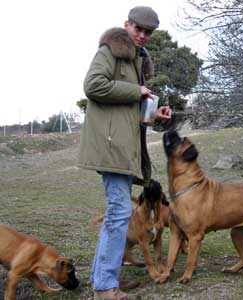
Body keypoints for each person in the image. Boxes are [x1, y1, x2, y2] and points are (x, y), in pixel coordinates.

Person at [78, 6, 172, 300]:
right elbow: (92, 85)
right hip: (111, 146)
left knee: (116, 215)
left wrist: (154, 113)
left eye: (148, 32)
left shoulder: (137, 61)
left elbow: (128, 110)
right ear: (126, 25)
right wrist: (136, 92)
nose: (142, 35)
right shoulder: (111, 50)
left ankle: (103, 280)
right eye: (138, 29)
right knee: (119, 213)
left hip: (123, 145)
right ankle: (105, 288)